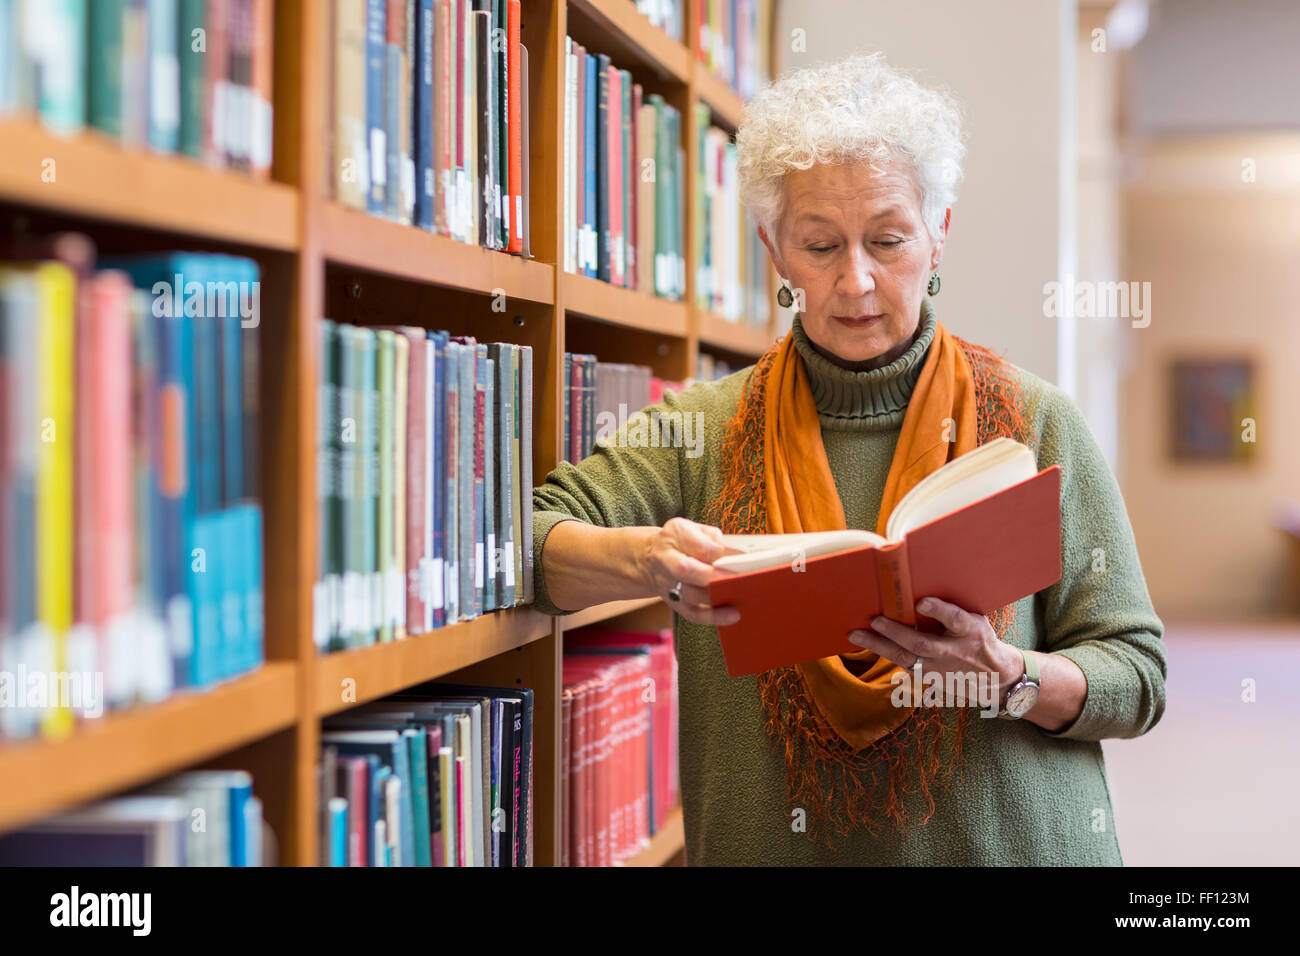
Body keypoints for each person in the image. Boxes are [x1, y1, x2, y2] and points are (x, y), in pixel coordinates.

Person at [531, 52, 1166, 865]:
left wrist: (1007, 673)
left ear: (940, 234)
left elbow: (1138, 676)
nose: (858, 281)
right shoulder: (702, 429)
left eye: (889, 239)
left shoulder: (1036, 424)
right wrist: (648, 558)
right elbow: (537, 547)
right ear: (774, 249)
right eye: (821, 245)